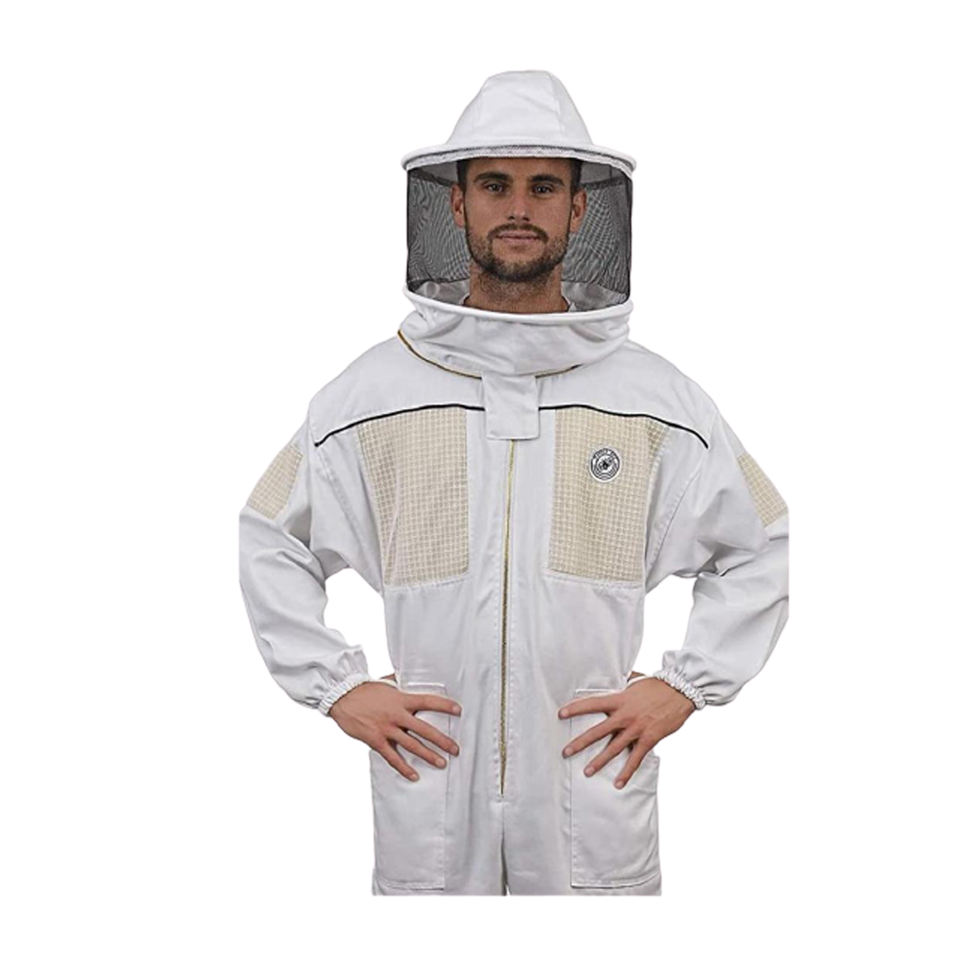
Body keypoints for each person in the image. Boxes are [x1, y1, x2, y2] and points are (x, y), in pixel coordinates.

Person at [238, 70, 789, 896]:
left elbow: (762, 543)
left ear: (581, 207)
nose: (520, 208)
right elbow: (269, 534)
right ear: (457, 204)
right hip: (432, 784)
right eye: (495, 185)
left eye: (544, 186)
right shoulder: (370, 396)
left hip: (589, 786)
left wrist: (685, 686)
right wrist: (336, 687)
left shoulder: (657, 400)